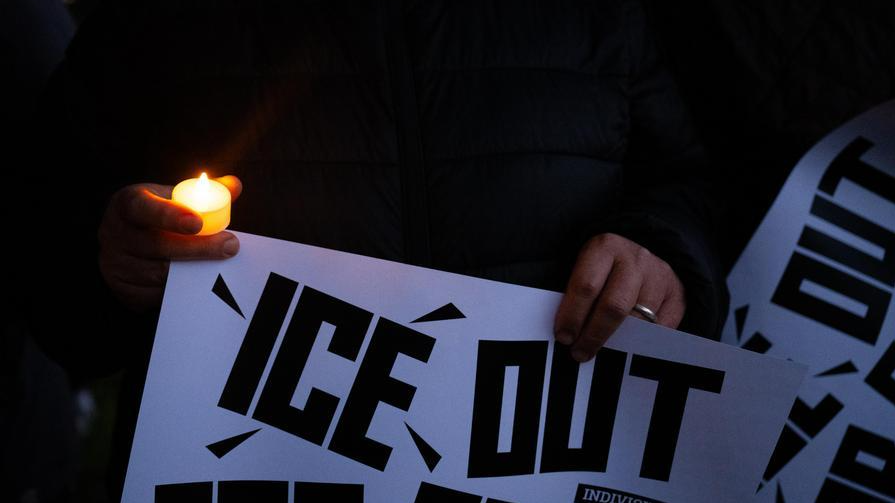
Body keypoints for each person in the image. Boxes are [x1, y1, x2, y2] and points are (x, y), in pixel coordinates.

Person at [25, 0, 728, 497]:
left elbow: (693, 183)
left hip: (544, 467)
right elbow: (46, 250)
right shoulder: (160, 18)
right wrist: (110, 263)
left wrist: (661, 255)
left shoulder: (604, 12)